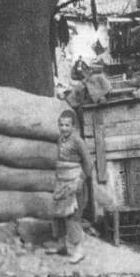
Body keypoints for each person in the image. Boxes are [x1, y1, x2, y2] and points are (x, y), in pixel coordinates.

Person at [46, 109, 93, 264]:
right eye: (61, 125)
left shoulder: (78, 141)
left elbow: (88, 163)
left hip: (74, 183)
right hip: (61, 182)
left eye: (67, 125)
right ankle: (61, 245)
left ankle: (79, 249)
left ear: (73, 127)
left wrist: (80, 180)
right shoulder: (60, 140)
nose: (64, 128)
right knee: (57, 213)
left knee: (72, 216)